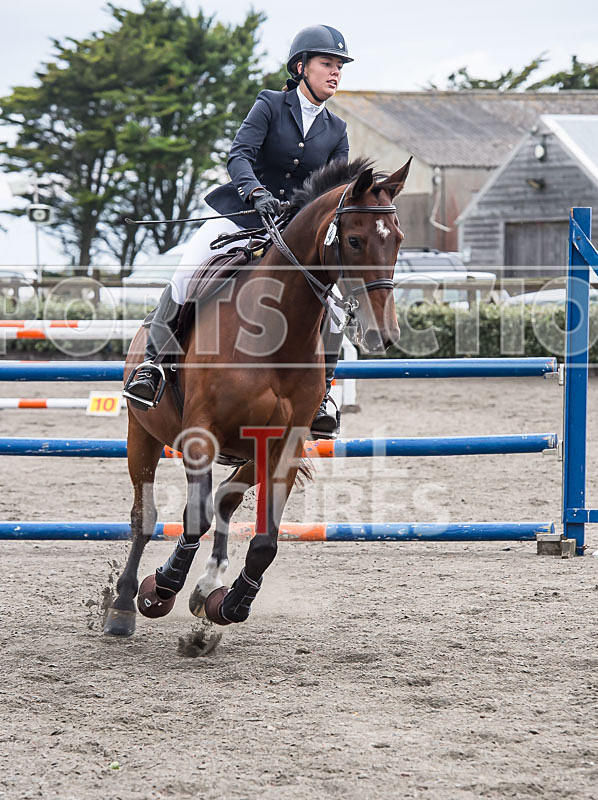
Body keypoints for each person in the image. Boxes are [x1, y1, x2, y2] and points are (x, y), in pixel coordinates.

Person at [124, 24, 353, 438]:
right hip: (241, 215)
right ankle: (152, 366)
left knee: (334, 306)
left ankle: (322, 395)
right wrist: (256, 192)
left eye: (340, 66)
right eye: (327, 63)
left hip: (291, 232)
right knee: (187, 273)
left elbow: (334, 189)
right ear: (301, 67)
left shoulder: (337, 130)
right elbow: (239, 155)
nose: (335, 72)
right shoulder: (269, 105)